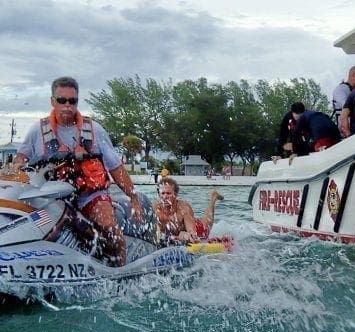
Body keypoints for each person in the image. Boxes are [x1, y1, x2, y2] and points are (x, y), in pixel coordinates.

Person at [13, 76, 143, 267]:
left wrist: (133, 199)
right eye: (61, 100)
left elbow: (116, 168)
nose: (67, 105)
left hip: (90, 196)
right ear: (52, 101)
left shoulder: (95, 130)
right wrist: (17, 165)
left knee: (109, 228)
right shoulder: (37, 131)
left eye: (72, 101)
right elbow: (20, 158)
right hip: (50, 197)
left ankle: (119, 273)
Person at [154, 177, 223, 243]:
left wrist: (186, 235)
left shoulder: (183, 208)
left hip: (193, 227)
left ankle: (213, 198)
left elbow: (192, 233)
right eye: (163, 193)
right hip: (172, 236)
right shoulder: (154, 209)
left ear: (175, 194)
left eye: (168, 193)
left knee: (207, 224)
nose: (165, 196)